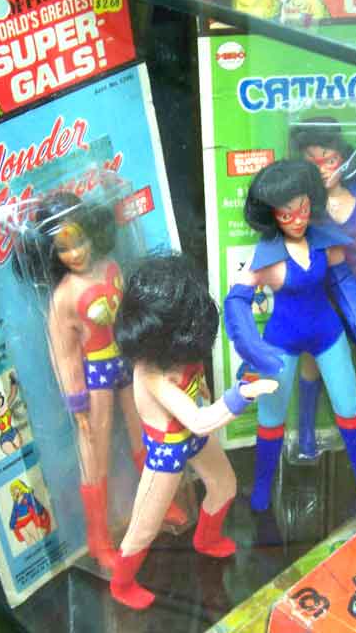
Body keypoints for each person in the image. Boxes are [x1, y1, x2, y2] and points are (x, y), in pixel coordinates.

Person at [17, 193, 185, 571]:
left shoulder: (111, 268)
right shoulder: (64, 296)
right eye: (63, 248)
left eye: (79, 241)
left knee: (146, 433)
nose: (75, 253)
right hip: (96, 375)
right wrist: (76, 402)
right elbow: (64, 354)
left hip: (130, 361)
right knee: (95, 452)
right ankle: (98, 537)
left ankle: (160, 502)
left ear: (93, 233)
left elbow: (131, 316)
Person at [109, 253, 277, 609]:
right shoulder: (152, 375)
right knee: (145, 524)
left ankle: (207, 538)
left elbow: (199, 390)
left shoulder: (184, 354)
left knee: (225, 484)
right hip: (168, 450)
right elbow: (199, 419)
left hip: (194, 438)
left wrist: (220, 388)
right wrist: (241, 395)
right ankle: (121, 584)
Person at [224, 159, 356, 512]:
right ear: (272, 215)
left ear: (311, 202)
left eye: (303, 209)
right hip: (281, 341)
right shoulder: (267, 257)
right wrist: (251, 345)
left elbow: (342, 280)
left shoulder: (324, 243)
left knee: (348, 406)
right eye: (286, 214)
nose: (297, 220)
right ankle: (262, 489)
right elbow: (236, 300)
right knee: (271, 418)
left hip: (328, 334)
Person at [290, 117, 356, 454]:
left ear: (344, 158)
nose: (323, 169)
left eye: (330, 160)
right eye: (313, 162)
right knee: (311, 361)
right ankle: (305, 432)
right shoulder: (303, 207)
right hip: (317, 292)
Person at [8, 479, 51, 546]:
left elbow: (35, 504)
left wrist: (40, 511)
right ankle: (36, 550)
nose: (15, 491)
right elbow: (14, 514)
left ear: (20, 487)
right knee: (28, 540)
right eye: (13, 490)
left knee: (37, 537)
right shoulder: (15, 502)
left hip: (28, 520)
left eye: (16, 488)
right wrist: (11, 524)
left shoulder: (27, 496)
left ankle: (42, 546)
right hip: (20, 524)